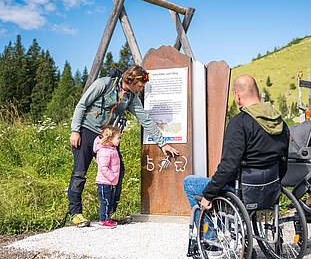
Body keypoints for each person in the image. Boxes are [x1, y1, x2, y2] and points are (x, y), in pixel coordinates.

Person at [68, 64, 179, 227]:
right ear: (132, 80)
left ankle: (109, 214)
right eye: (140, 86)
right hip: (86, 132)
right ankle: (75, 214)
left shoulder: (131, 98)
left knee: (118, 171)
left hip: (108, 137)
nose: (141, 89)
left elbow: (145, 120)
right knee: (79, 173)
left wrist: (163, 144)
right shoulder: (104, 84)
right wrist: (75, 130)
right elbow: (82, 105)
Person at [183, 74, 289, 222]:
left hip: (243, 190)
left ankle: (210, 240)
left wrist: (209, 194)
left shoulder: (239, 123)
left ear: (238, 95)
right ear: (256, 92)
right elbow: (283, 161)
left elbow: (228, 167)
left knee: (189, 182)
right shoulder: (280, 122)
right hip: (271, 187)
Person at [93, 126, 121, 229]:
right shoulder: (104, 151)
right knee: (105, 201)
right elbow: (103, 168)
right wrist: (113, 178)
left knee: (109, 201)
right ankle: (103, 221)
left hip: (110, 182)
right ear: (110, 139)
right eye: (118, 138)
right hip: (105, 182)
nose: (119, 140)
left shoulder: (112, 149)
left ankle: (107, 218)